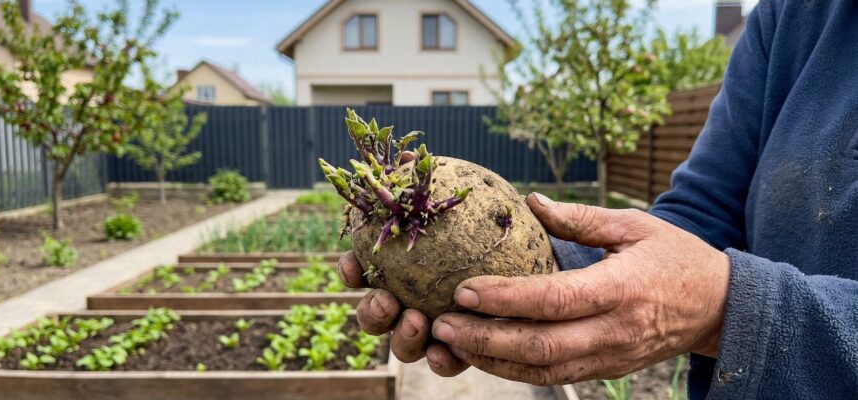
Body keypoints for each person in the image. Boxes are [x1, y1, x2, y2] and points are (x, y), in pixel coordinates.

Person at [336, 0, 858, 398]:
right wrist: (557, 265)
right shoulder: (791, 13)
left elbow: (721, 290)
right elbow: (704, 211)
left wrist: (729, 309)